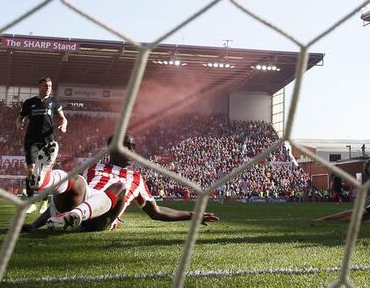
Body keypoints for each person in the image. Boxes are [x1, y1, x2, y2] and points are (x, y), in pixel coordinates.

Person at [22, 133, 219, 233]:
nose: (132, 151)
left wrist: (192, 215)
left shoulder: (136, 178)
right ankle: (42, 179)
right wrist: (34, 225)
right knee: (75, 179)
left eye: (134, 147)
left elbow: (156, 212)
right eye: (127, 146)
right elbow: (67, 194)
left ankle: (74, 216)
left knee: (119, 189)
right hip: (79, 203)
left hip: (101, 218)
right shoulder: (94, 167)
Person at [16, 77, 67, 212]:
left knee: (46, 173)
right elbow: (20, 117)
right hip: (31, 140)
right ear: (40, 87)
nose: (48, 88)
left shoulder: (54, 101)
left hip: (48, 141)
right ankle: (31, 201)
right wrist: (19, 123)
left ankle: (44, 201)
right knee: (31, 170)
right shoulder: (30, 102)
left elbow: (63, 118)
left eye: (50, 86)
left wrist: (64, 124)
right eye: (45, 86)